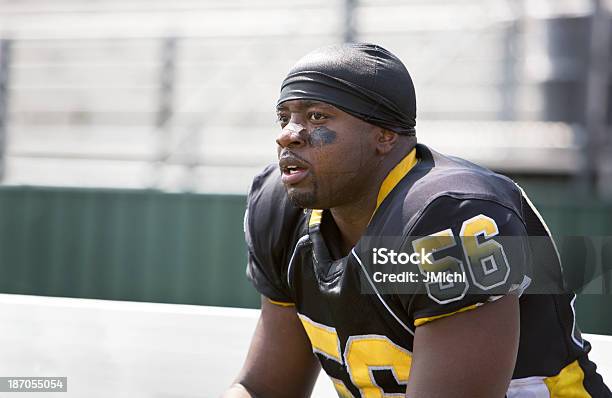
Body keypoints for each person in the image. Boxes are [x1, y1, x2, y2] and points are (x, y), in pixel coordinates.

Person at [221, 43, 611, 397]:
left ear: (385, 135)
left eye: (318, 116)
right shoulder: (283, 209)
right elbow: (265, 387)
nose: (288, 135)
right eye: (284, 117)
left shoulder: (449, 216)